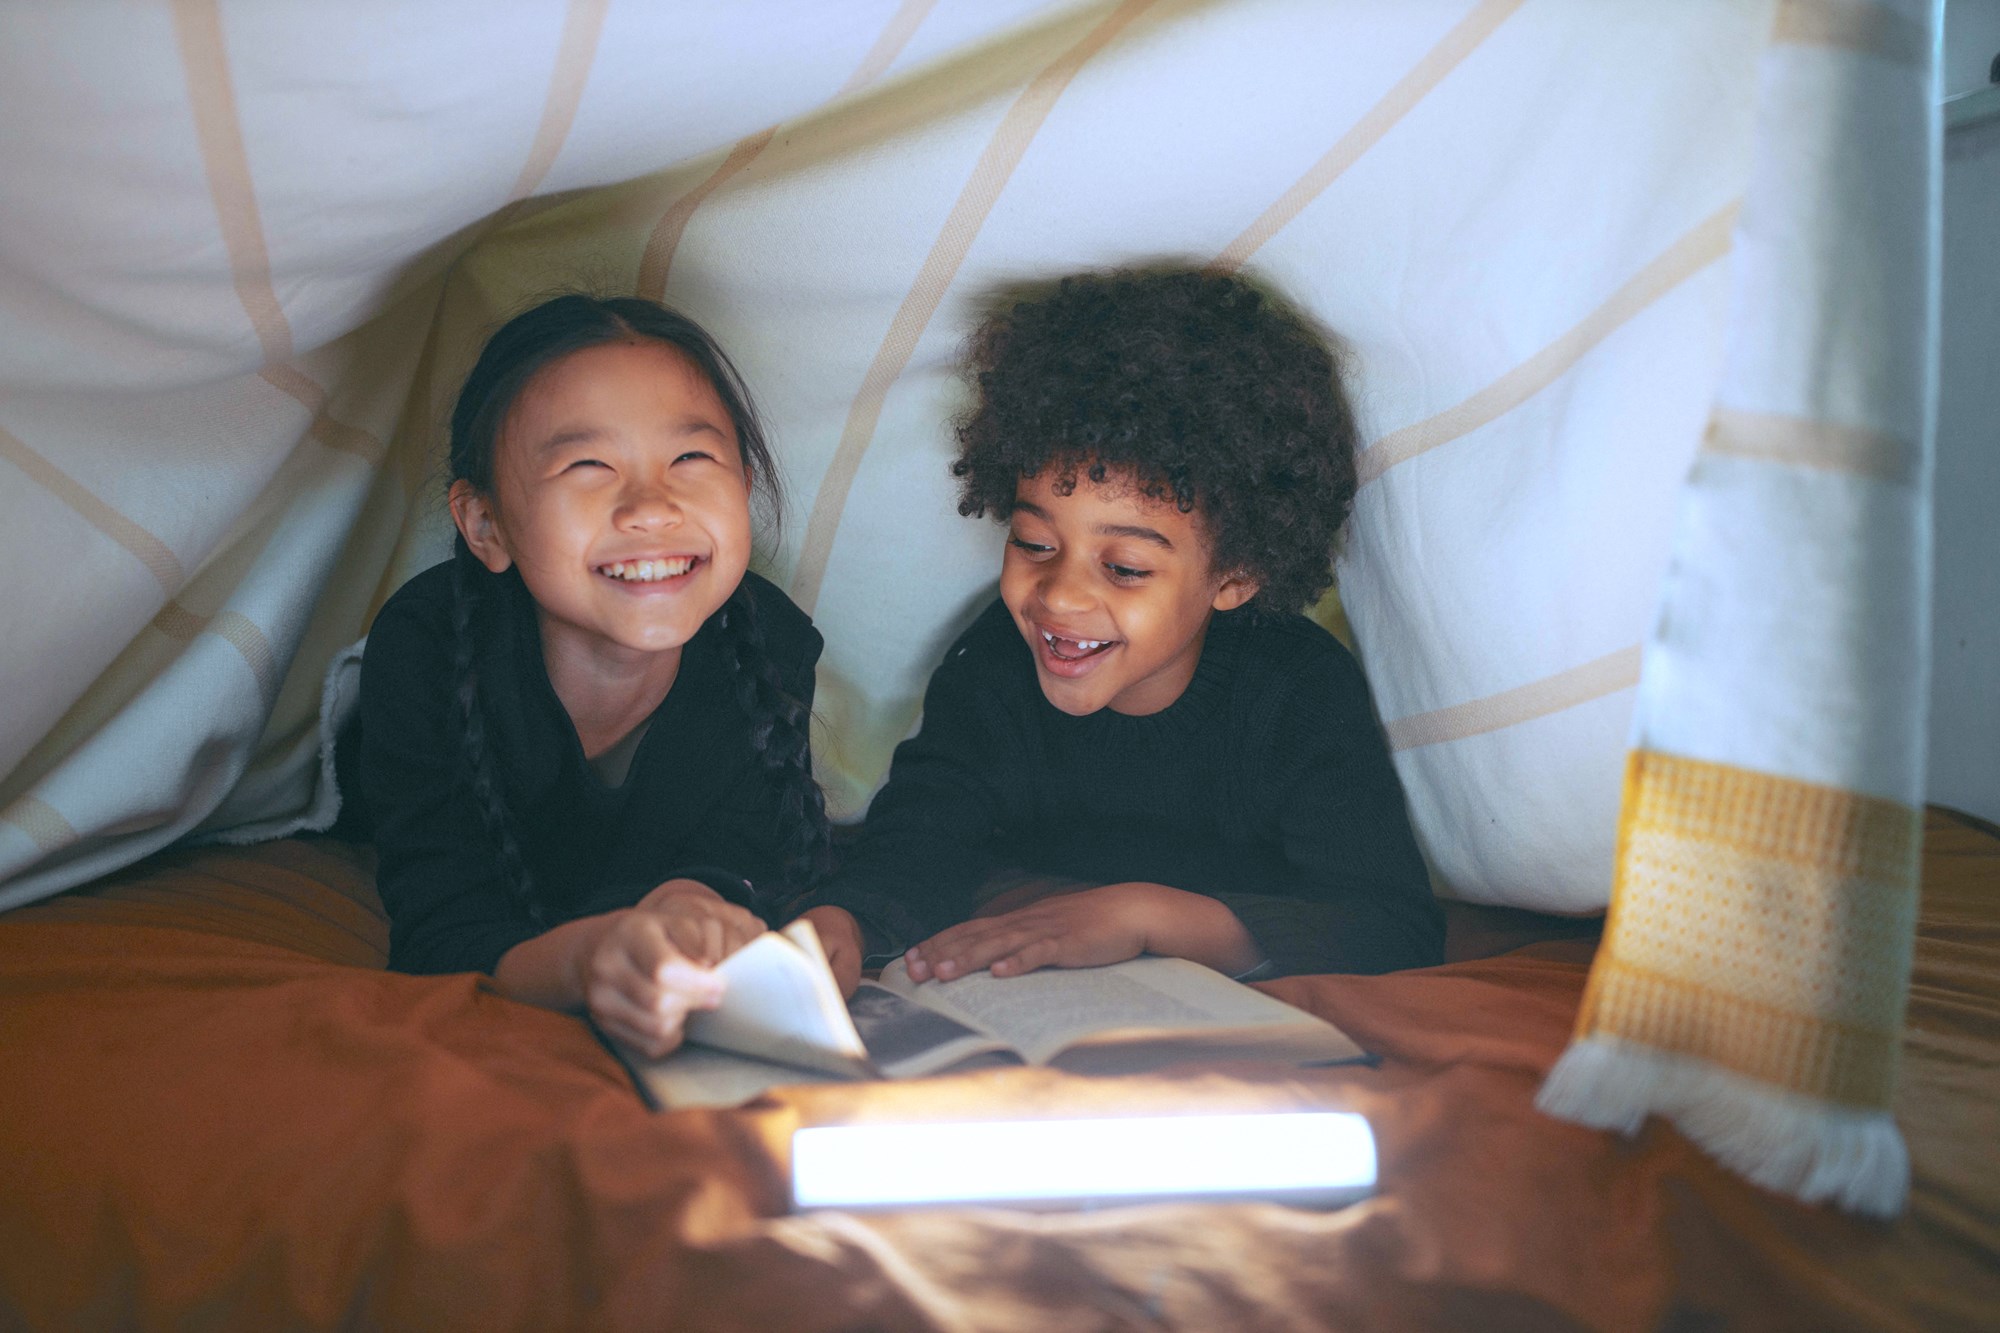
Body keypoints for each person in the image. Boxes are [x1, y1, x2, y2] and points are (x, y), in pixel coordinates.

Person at [790, 267, 1443, 987]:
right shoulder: (995, 666)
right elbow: (921, 835)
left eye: (1125, 566)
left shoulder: (1298, 693)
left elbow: (1390, 925)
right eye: (1035, 543)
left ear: (1235, 576)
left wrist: (1143, 915)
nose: (1060, 596)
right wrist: (843, 921)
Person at [356, 294, 831, 1059]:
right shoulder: (424, 649)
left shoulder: (769, 645)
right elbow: (442, 931)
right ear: (486, 525)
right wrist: (591, 957)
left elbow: (741, 856)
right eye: (588, 466)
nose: (651, 506)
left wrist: (690, 909)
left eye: (691, 458)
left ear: (742, 483)